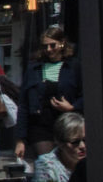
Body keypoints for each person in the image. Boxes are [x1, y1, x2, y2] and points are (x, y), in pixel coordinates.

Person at [17, 27, 83, 158]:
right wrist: (20, 139)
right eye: (45, 46)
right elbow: (23, 104)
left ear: (62, 43)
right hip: (40, 124)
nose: (48, 50)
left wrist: (72, 107)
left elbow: (85, 95)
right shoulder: (34, 68)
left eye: (52, 45)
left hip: (66, 124)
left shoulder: (74, 66)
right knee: (46, 163)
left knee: (68, 163)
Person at [33, 111, 86, 182]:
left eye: (85, 140)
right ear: (60, 143)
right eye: (75, 142)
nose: (82, 146)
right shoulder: (46, 166)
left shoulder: (95, 163)